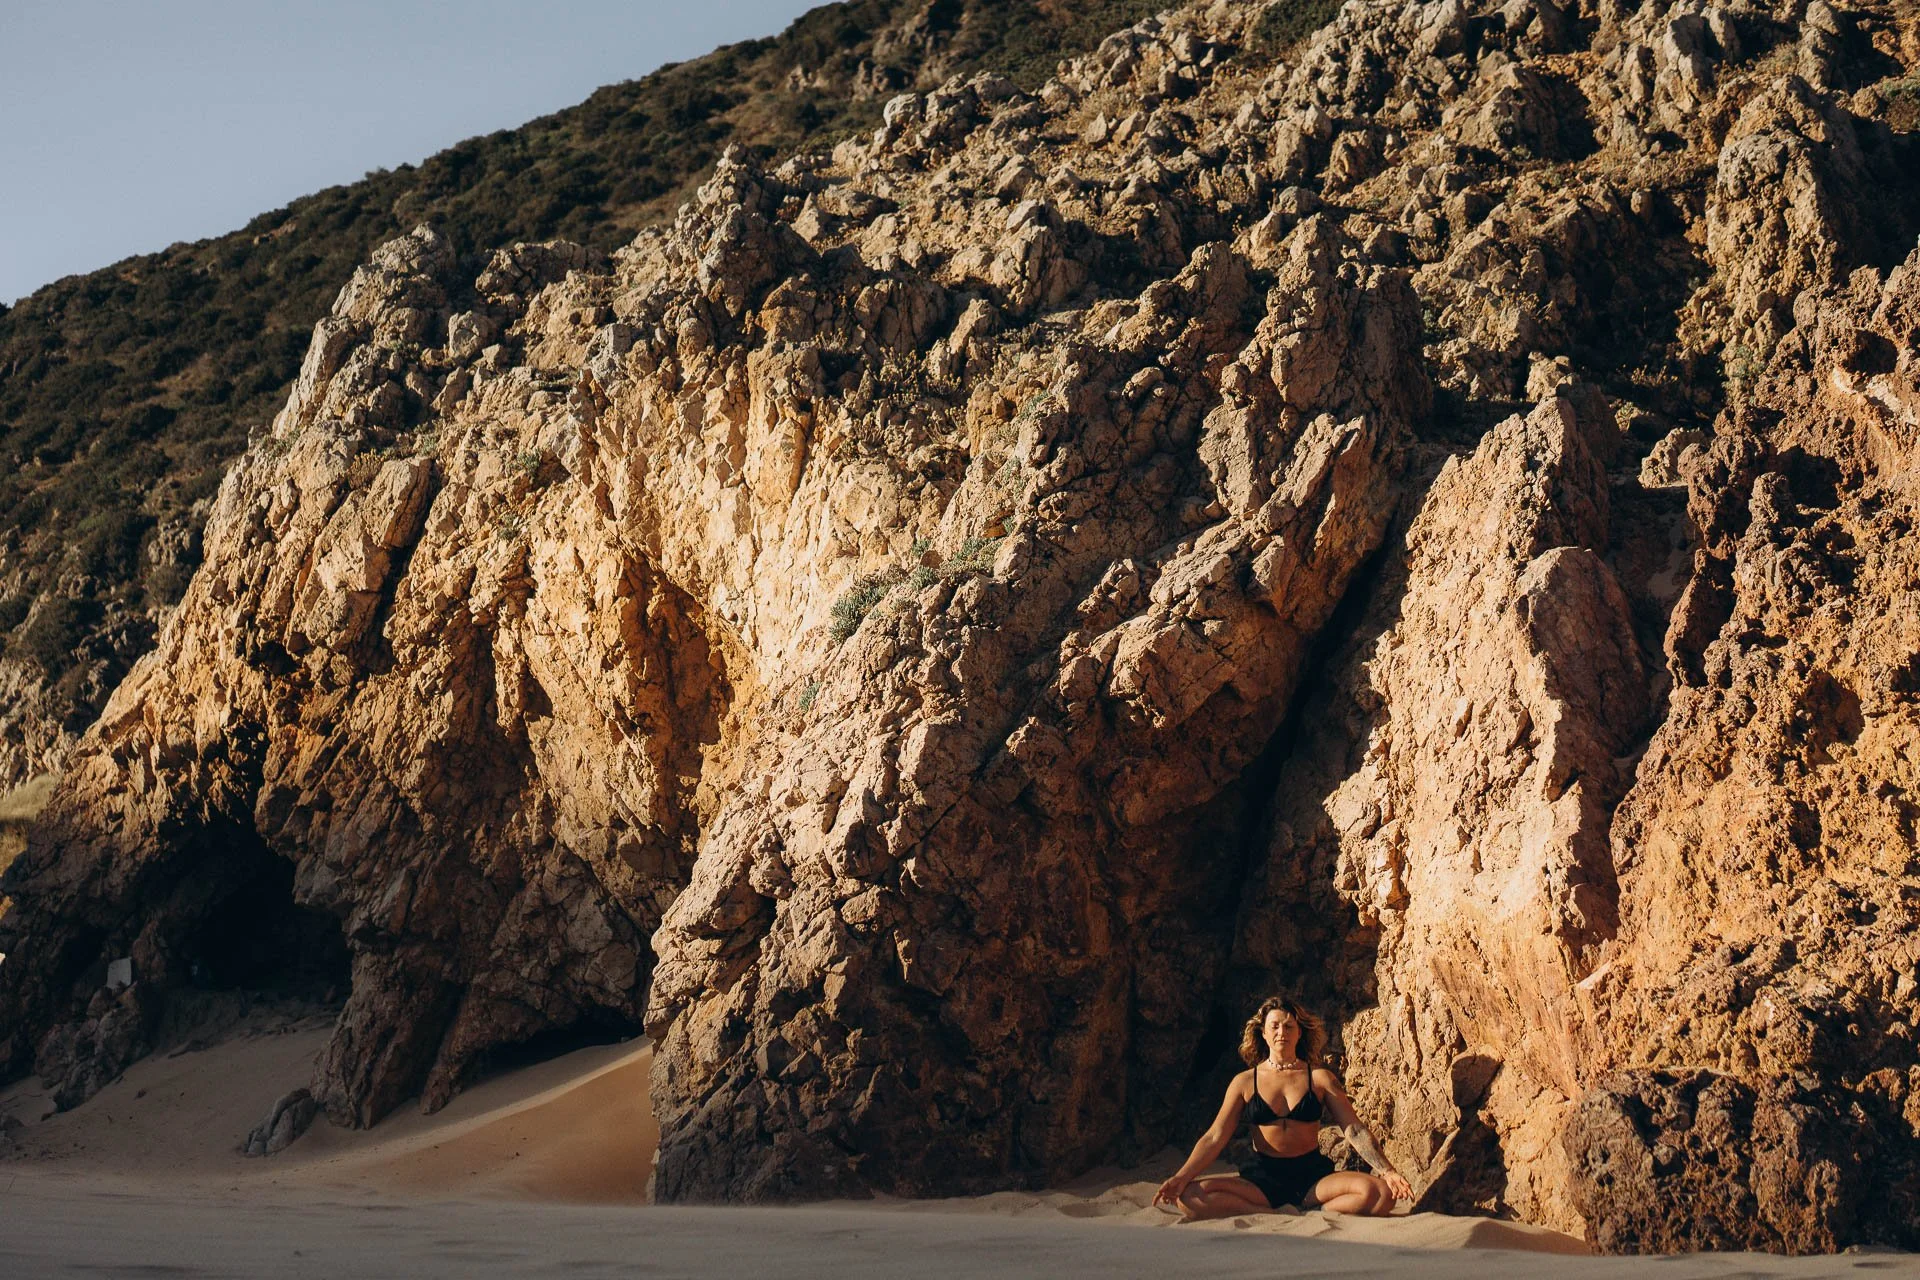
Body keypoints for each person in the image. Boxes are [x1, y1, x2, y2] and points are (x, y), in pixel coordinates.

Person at [1153, 996, 1413, 1219]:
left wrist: (1387, 1171)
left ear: (1300, 1033)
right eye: (1275, 1026)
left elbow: (1353, 1129)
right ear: (1263, 1033)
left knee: (1382, 1195)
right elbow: (1215, 1136)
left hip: (1313, 1178)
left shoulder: (1319, 1078)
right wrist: (1181, 1177)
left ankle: (1316, 1212)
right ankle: (1272, 1214)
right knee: (1189, 1197)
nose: (1282, 1033)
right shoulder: (1244, 1082)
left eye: (1289, 1026)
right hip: (1262, 1179)